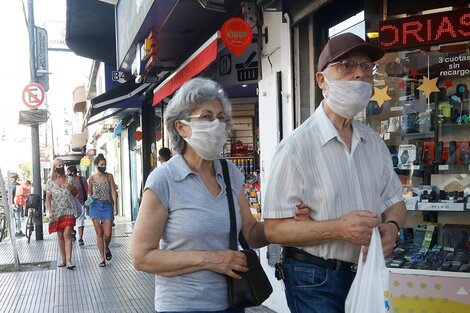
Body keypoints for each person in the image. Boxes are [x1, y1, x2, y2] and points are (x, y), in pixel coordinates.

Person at [262, 32, 407, 313]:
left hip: (366, 271)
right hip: (315, 278)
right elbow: (273, 229)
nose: (359, 75)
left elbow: (395, 202)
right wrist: (339, 228)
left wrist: (393, 228)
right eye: (347, 66)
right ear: (321, 81)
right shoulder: (295, 148)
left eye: (366, 67)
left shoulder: (374, 144)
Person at [131, 78, 270, 313]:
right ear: (181, 127)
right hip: (182, 305)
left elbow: (251, 233)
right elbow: (142, 257)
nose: (217, 125)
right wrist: (212, 259)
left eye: (221, 118)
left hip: (232, 302)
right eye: (206, 117)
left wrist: (292, 223)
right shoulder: (164, 179)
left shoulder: (230, 173)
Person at [45, 158, 77, 269]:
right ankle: (63, 259)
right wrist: (50, 211)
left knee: (67, 234)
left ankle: (69, 261)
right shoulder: (49, 182)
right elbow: (48, 198)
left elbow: (75, 193)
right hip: (56, 211)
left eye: (62, 165)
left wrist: (71, 188)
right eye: (58, 165)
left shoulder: (69, 179)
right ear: (54, 167)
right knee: (60, 236)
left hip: (68, 210)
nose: (60, 167)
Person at [87, 153, 118, 267]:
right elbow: (89, 192)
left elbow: (113, 191)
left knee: (108, 234)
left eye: (105, 164)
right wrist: (89, 200)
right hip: (95, 206)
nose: (104, 166)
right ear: (96, 165)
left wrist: (115, 205)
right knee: (99, 233)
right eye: (101, 164)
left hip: (107, 206)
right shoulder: (91, 178)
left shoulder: (109, 176)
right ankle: (102, 258)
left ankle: (106, 247)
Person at [67, 165, 88, 246]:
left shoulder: (81, 179)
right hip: (70, 204)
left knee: (81, 220)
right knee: (71, 221)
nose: (67, 174)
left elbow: (86, 190)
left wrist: (87, 203)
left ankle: (80, 238)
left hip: (81, 202)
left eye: (68, 172)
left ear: (72, 172)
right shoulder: (67, 180)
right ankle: (73, 231)